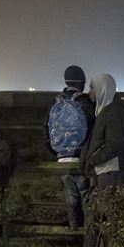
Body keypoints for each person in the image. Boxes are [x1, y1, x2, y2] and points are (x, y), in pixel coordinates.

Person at [61, 73, 124, 247]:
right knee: (100, 221)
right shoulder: (104, 111)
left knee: (103, 221)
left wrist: (93, 160)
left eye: (93, 88)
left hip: (111, 174)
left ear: (103, 89)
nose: (90, 93)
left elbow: (115, 144)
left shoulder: (114, 113)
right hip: (104, 174)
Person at [45, 65, 95, 230]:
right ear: (82, 82)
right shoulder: (86, 103)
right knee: (86, 195)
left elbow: (46, 131)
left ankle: (73, 228)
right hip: (81, 157)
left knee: (70, 195)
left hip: (62, 158)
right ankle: (88, 233)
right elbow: (93, 129)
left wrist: (57, 151)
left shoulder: (56, 102)